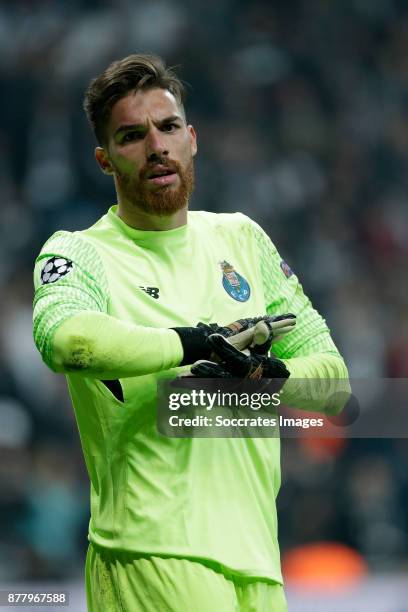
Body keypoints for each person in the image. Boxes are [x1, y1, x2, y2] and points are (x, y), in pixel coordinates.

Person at [32, 54, 348, 612]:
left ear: (192, 138)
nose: (156, 146)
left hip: (256, 560)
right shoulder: (79, 252)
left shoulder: (243, 240)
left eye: (168, 127)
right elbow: (67, 340)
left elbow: (333, 381)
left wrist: (266, 375)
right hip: (150, 552)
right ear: (105, 160)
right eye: (132, 136)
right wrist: (196, 341)